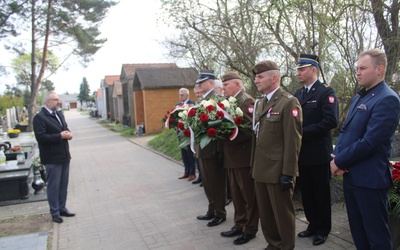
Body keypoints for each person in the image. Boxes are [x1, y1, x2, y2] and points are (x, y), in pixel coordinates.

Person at [330, 49, 400, 249]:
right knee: (359, 234)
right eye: (357, 68)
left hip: (370, 181)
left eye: (362, 68)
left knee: (376, 237)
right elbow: (345, 131)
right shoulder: (360, 97)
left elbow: (370, 142)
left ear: (379, 69)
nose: (357, 73)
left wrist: (339, 161)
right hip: (351, 176)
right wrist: (337, 157)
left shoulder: (388, 99)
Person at [251, 60, 302, 250]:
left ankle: (286, 247)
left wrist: (288, 173)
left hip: (277, 170)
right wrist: (253, 166)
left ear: (274, 77)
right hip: (261, 170)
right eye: (256, 77)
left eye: (260, 76)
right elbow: (257, 137)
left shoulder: (288, 102)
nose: (256, 80)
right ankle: (273, 244)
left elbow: (293, 141)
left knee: (282, 215)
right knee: (266, 214)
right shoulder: (261, 102)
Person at [294, 54, 339, 245]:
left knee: (321, 193)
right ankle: (312, 224)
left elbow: (331, 121)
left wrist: (301, 132)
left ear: (313, 70)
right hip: (302, 154)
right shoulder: (298, 94)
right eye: (297, 70)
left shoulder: (325, 92)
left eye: (302, 69)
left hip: (319, 153)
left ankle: (323, 228)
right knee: (307, 193)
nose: (298, 73)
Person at [219, 71, 259, 245]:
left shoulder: (247, 101)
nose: (223, 88)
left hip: (243, 157)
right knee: (236, 194)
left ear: (237, 84)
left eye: (226, 85)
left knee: (247, 195)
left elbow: (249, 130)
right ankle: (239, 224)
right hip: (232, 157)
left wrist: (227, 133)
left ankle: (250, 229)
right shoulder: (229, 101)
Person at [33, 91, 74, 223]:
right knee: (53, 186)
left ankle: (62, 208)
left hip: (64, 156)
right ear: (48, 102)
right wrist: (60, 136)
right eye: (56, 99)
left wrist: (69, 134)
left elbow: (65, 128)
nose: (58, 101)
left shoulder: (59, 114)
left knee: (63, 185)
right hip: (52, 158)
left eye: (58, 99)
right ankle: (55, 212)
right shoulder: (40, 118)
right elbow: (41, 137)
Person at [195, 72, 227, 227]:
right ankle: (212, 209)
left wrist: (221, 150)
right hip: (203, 148)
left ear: (211, 82)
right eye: (199, 83)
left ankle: (220, 212)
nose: (199, 85)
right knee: (208, 182)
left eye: (202, 82)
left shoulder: (218, 99)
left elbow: (222, 125)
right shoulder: (204, 100)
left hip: (213, 149)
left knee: (216, 183)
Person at [176, 88, 197, 181]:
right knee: (183, 153)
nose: (181, 97)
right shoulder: (178, 105)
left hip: (189, 132)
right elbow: (175, 118)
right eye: (180, 95)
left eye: (182, 95)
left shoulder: (193, 104)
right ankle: (186, 171)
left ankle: (192, 173)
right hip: (180, 132)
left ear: (187, 95)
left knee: (190, 153)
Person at [192, 84, 203, 185]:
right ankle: (200, 176)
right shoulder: (196, 103)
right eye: (196, 93)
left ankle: (203, 177)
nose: (197, 95)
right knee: (197, 157)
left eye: (199, 93)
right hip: (196, 137)